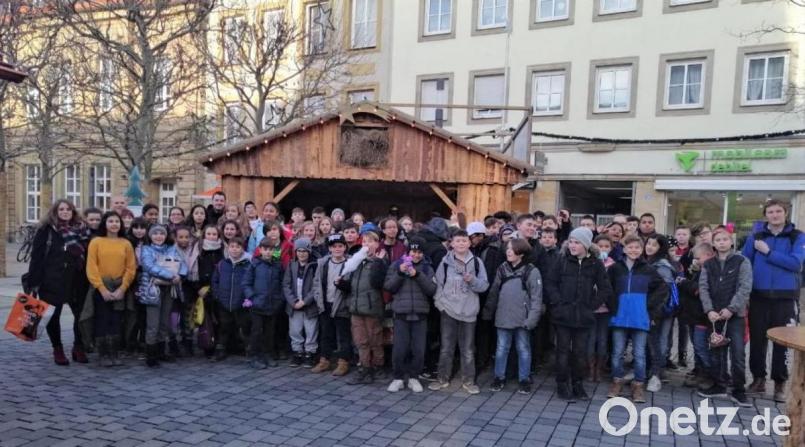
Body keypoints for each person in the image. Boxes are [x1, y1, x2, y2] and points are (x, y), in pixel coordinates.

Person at [742, 199, 805, 402]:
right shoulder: (756, 237)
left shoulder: (797, 236)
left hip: (785, 298)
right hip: (758, 296)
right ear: (765, 215)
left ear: (785, 214)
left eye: (778, 211)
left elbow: (796, 264)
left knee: (783, 342)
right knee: (758, 341)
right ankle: (758, 379)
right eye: (770, 211)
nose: (775, 215)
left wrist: (768, 252)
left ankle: (779, 383)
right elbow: (745, 263)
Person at [545, 228, 612, 401]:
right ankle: (562, 383)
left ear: (586, 245)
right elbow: (550, 283)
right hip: (563, 315)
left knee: (580, 353)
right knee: (562, 351)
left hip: (584, 316)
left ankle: (577, 384)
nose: (573, 246)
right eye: (571, 242)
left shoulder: (595, 263)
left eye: (577, 242)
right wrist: (558, 302)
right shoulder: (562, 260)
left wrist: (592, 306)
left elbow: (605, 288)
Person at [27, 200, 91, 365]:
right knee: (53, 316)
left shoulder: (81, 229)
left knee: (80, 315)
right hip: (52, 281)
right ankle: (58, 348)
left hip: (77, 280)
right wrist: (34, 282)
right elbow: (36, 257)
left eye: (68, 209)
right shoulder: (46, 230)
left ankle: (78, 347)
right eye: (61, 209)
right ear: (55, 212)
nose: (65, 212)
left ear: (73, 211)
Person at [607, 234, 668, 403]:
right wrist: (613, 306)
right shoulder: (614, 269)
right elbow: (607, 289)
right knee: (617, 352)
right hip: (619, 317)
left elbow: (662, 289)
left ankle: (638, 384)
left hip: (640, 318)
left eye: (637, 247)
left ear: (641, 250)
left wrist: (648, 308)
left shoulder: (648, 269)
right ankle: (617, 381)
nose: (633, 250)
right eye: (630, 247)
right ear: (624, 249)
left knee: (640, 354)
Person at [429, 230, 489, 395]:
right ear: (452, 244)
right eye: (458, 241)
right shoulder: (445, 263)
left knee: (468, 349)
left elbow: (484, 286)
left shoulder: (477, 262)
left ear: (469, 243)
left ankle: (469, 381)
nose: (461, 244)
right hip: (448, 310)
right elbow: (438, 284)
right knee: (446, 347)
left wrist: (473, 280)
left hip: (469, 311)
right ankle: (442, 378)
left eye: (464, 241)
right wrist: (440, 304)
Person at [697, 228, 753, 406]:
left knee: (737, 353)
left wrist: (732, 308)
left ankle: (739, 389)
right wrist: (709, 310)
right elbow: (703, 288)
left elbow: (745, 287)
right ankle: (719, 384)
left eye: (725, 239)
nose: (721, 242)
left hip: (734, 316)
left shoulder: (742, 261)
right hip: (714, 315)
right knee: (716, 351)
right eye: (718, 240)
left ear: (731, 241)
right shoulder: (708, 264)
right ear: (713, 244)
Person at [482, 238, 543, 395]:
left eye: (512, 249)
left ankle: (524, 379)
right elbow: (494, 292)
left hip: (523, 318)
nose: (508, 251)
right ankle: (499, 377)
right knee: (501, 349)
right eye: (507, 248)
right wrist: (488, 312)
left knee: (523, 349)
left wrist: (532, 319)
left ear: (521, 252)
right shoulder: (502, 268)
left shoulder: (531, 271)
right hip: (503, 317)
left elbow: (537, 298)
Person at [383, 237, 436, 393]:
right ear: (408, 252)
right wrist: (400, 273)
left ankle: (414, 377)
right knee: (400, 349)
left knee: (418, 350)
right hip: (401, 314)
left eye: (419, 252)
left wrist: (417, 275)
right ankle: (398, 378)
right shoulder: (397, 265)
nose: (416, 255)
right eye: (413, 251)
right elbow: (388, 286)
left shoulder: (427, 268)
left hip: (420, 314)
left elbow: (432, 290)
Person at [85, 211, 137, 367]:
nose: (114, 224)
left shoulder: (126, 243)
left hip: (119, 287)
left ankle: (114, 352)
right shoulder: (96, 242)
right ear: (105, 224)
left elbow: (130, 268)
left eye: (117, 221)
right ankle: (103, 354)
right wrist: (102, 289)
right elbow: (91, 267)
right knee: (102, 320)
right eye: (110, 221)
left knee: (116, 321)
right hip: (101, 288)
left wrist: (122, 288)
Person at [337, 232, 389, 384]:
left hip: (372, 309)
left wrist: (377, 262)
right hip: (356, 308)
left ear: (377, 244)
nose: (366, 244)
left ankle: (378, 367)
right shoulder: (357, 262)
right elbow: (352, 286)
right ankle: (364, 368)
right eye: (364, 242)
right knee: (361, 341)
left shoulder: (380, 262)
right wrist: (340, 283)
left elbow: (377, 283)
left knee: (375, 340)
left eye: (370, 242)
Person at [138, 224, 187, 367]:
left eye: (161, 233)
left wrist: (181, 275)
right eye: (155, 233)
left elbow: (182, 264)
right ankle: (151, 355)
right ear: (150, 236)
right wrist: (171, 276)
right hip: (153, 290)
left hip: (169, 290)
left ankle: (161, 351)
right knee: (153, 324)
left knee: (164, 322)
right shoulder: (146, 249)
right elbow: (149, 266)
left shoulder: (171, 249)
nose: (158, 236)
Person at [312, 234, 352, 376]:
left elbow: (352, 286)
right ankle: (325, 360)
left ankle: (343, 362)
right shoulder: (323, 263)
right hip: (325, 304)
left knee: (343, 336)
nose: (337, 249)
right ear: (329, 248)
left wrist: (342, 285)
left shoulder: (350, 264)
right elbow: (316, 282)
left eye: (340, 246)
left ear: (345, 247)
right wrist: (318, 300)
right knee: (326, 334)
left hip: (341, 305)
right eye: (334, 246)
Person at [678, 243, 715, 389]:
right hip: (694, 315)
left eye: (698, 258)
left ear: (709, 255)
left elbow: (699, 290)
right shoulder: (701, 269)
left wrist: (684, 282)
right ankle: (701, 372)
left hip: (702, 316)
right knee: (697, 346)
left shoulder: (710, 270)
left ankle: (711, 374)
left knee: (700, 346)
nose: (696, 260)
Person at [243, 236, 285, 369]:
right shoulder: (254, 264)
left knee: (269, 332)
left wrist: (280, 299)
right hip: (257, 305)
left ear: (274, 250)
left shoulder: (278, 265)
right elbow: (246, 283)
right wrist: (252, 298)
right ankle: (253, 356)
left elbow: (282, 283)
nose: (268, 252)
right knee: (256, 332)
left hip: (272, 305)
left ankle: (268, 354)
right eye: (265, 249)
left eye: (270, 249)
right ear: (260, 250)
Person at [644, 234, 677, 393]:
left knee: (657, 342)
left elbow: (664, 292)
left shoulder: (662, 265)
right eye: (648, 243)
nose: (649, 246)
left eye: (654, 245)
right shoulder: (648, 262)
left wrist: (654, 314)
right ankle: (649, 372)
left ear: (661, 248)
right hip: (652, 310)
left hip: (660, 311)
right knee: (652, 341)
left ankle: (656, 375)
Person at [211, 237, 251, 362]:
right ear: (228, 248)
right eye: (232, 247)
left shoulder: (248, 264)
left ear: (242, 249)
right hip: (224, 301)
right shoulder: (222, 264)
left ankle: (249, 350)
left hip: (241, 302)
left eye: (238, 247)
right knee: (224, 326)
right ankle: (220, 350)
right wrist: (217, 294)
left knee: (244, 327)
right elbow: (215, 280)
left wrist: (248, 297)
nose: (234, 249)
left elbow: (251, 282)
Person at [283, 238, 320, 368]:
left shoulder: (314, 266)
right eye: (299, 251)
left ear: (309, 252)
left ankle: (310, 353)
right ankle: (297, 352)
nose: (302, 253)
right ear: (295, 252)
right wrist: (293, 302)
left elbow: (316, 287)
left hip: (309, 305)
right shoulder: (291, 265)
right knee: (295, 330)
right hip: (294, 305)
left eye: (305, 251)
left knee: (311, 330)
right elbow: (286, 285)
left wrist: (305, 301)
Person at [588, 234, 615, 382]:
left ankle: (599, 369)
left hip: (606, 309)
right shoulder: (590, 262)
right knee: (591, 339)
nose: (603, 249)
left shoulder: (613, 265)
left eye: (606, 246)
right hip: (591, 308)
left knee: (603, 339)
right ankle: (590, 368)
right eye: (600, 246)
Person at [174, 226, 200, 356]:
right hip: (175, 285)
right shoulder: (172, 250)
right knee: (175, 315)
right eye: (181, 237)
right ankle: (175, 342)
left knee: (188, 315)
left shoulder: (195, 250)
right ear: (176, 238)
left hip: (191, 285)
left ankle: (188, 342)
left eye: (187, 237)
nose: (184, 240)